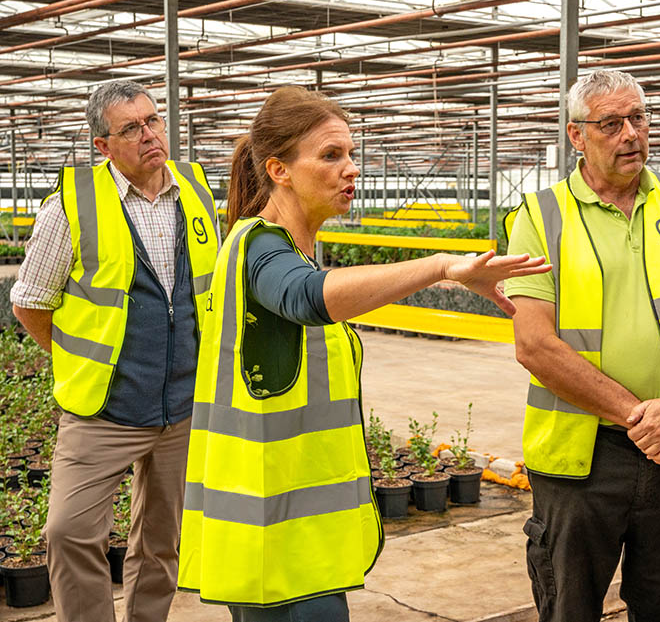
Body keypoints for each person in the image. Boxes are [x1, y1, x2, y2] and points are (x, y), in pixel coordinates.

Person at [177, 85, 549, 621]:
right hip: (276, 545)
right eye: (330, 155)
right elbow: (309, 297)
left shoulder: (282, 249)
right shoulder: (261, 249)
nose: (351, 168)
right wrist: (441, 265)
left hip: (295, 535)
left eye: (351, 154)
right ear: (279, 170)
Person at [503, 69, 660, 622]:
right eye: (611, 123)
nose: (631, 133)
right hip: (583, 459)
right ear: (577, 136)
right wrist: (641, 417)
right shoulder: (541, 215)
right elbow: (534, 344)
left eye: (639, 118)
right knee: (570, 607)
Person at [10, 80, 221, 622]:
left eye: (153, 120)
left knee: (161, 540)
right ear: (103, 146)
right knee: (69, 530)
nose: (150, 134)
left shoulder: (196, 191)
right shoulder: (73, 203)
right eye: (131, 128)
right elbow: (30, 301)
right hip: (103, 408)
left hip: (182, 405)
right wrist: (83, 359)